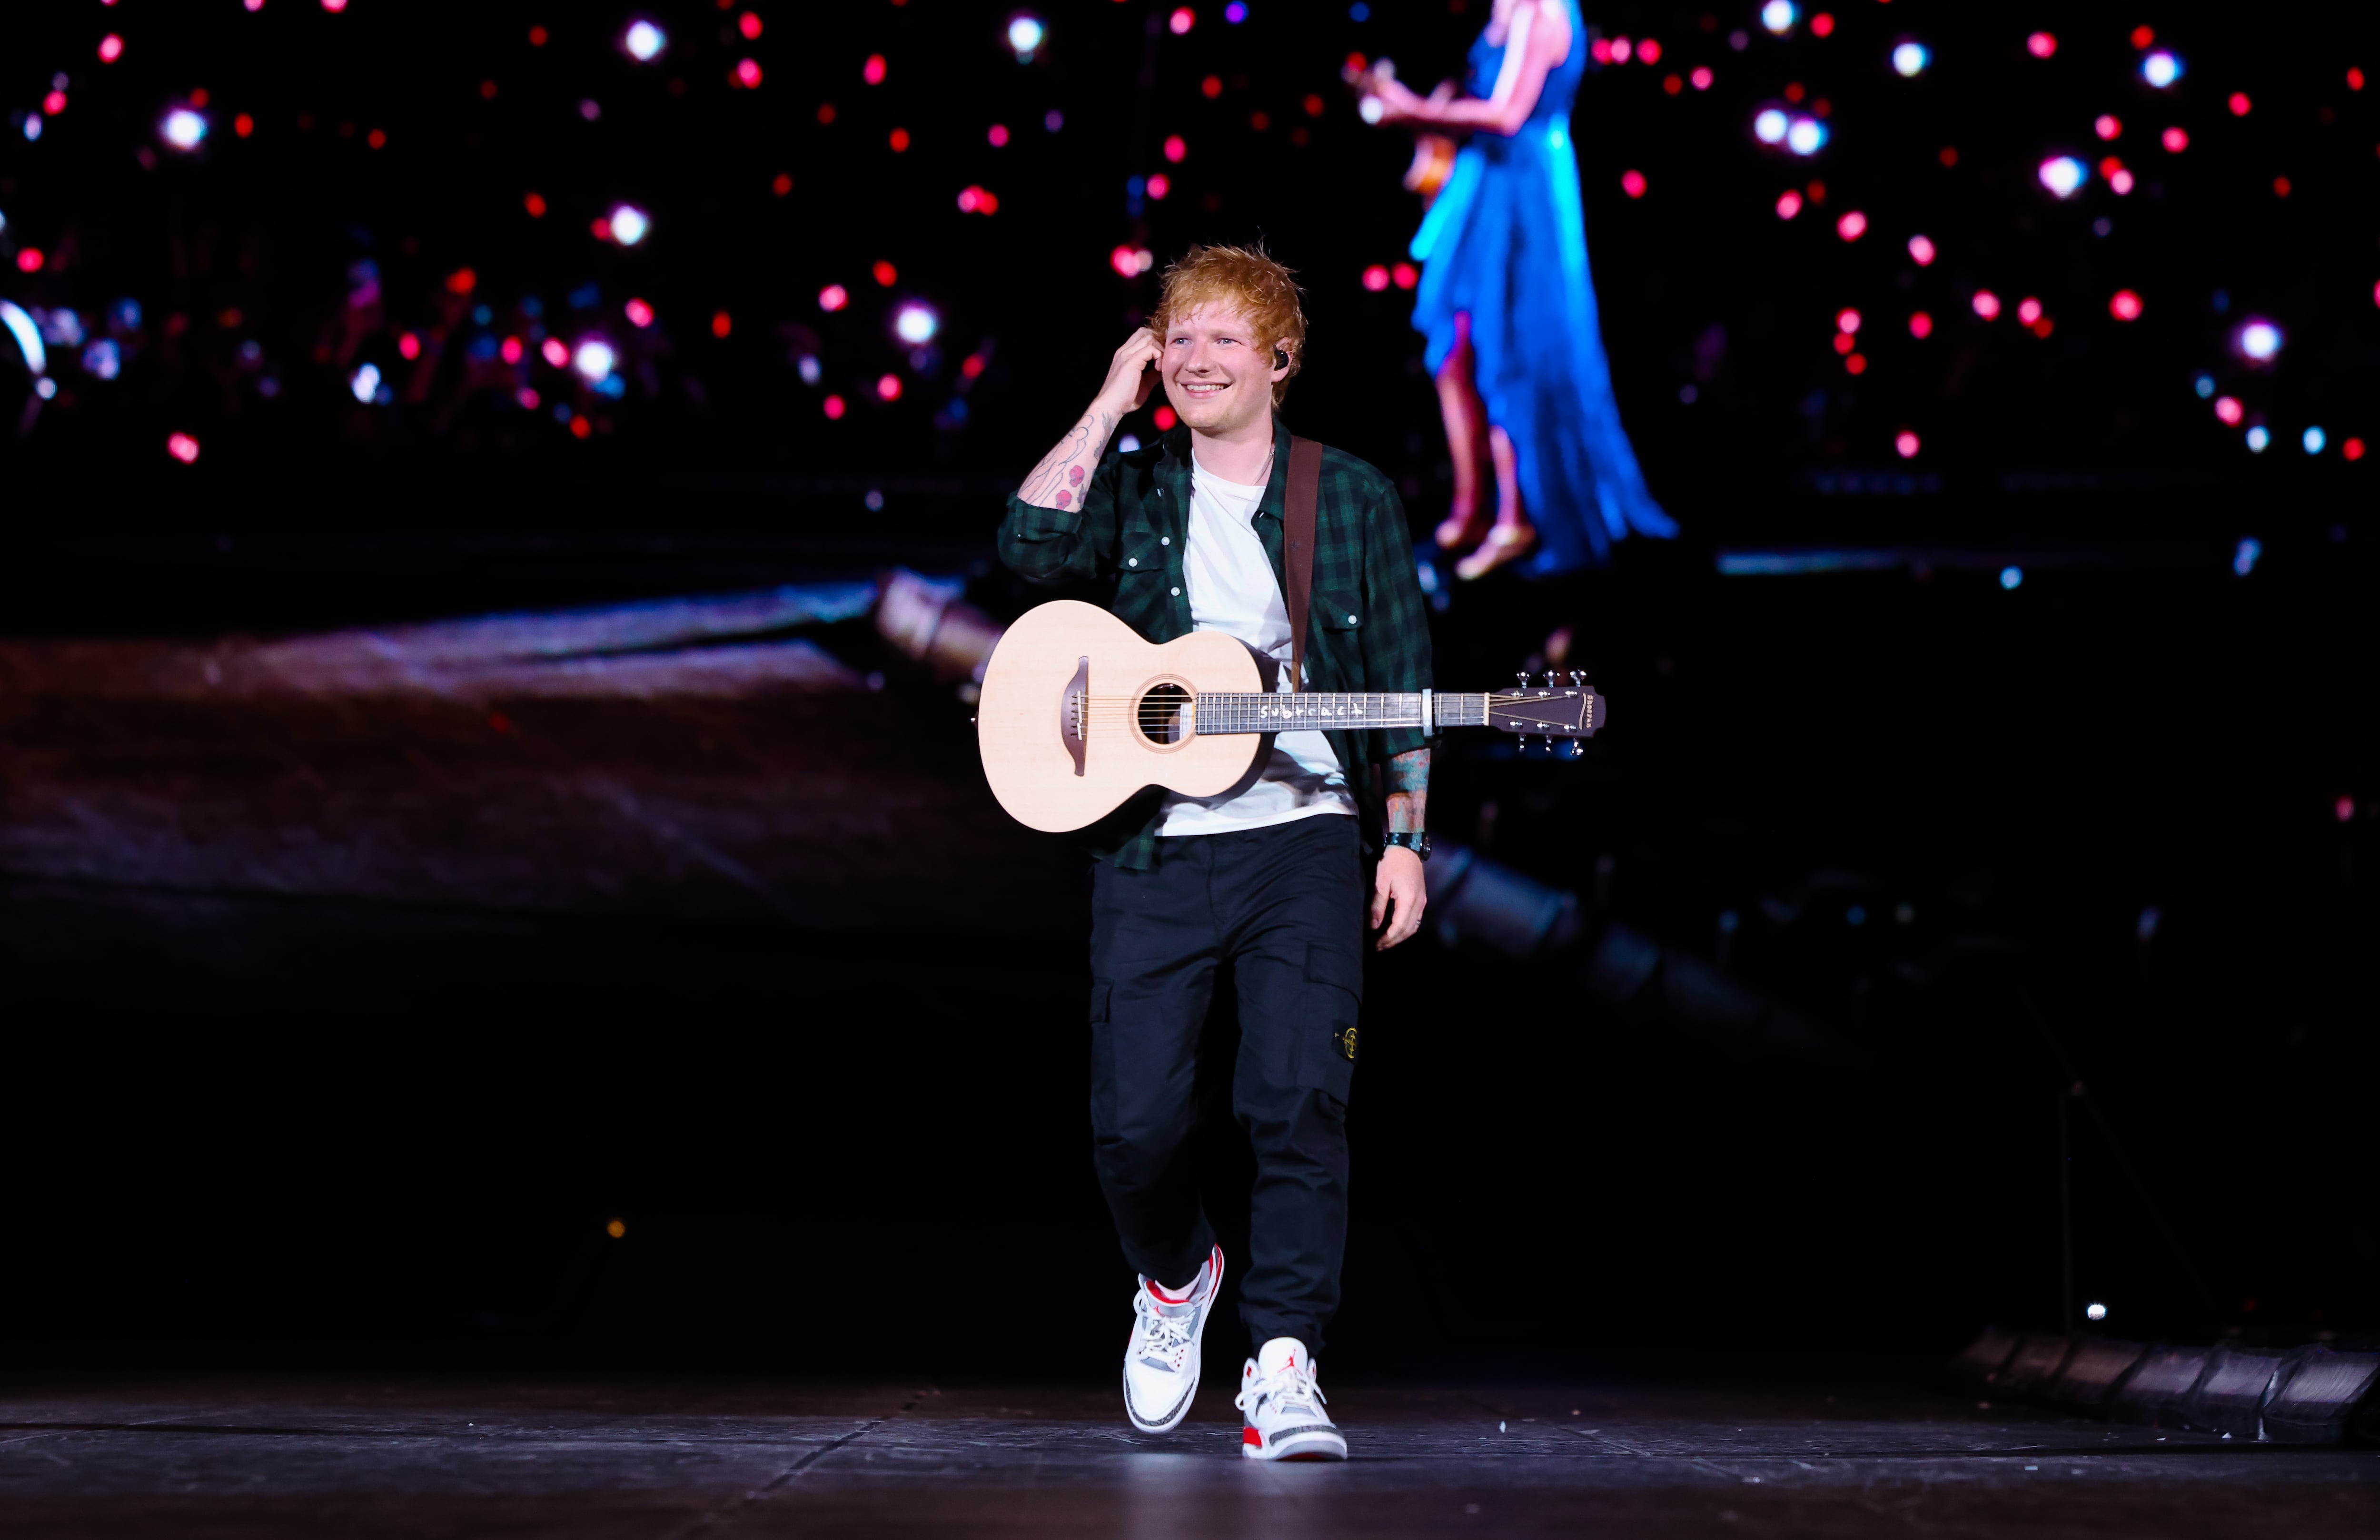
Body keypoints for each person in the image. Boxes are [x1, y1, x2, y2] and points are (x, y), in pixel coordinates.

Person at [997, 245, 1435, 1461]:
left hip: (1301, 841)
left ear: (1280, 362)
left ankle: (1283, 1363)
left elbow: (1398, 683)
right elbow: (1031, 551)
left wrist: (1402, 838)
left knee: (1299, 1101)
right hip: (1152, 845)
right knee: (1134, 1130)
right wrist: (1103, 400)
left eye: (1221, 339)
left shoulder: (1344, 497)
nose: (1192, 358)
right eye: (1176, 336)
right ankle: (1176, 1278)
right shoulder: (1133, 489)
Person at [1364, 0, 1677, 578]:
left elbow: (1508, 115)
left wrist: (1411, 111)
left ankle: (1519, 515)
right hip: (1482, 181)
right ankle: (1474, 507)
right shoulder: (1504, 8)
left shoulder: (1543, 9)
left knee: (1509, 349)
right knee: (1454, 349)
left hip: (1522, 182)